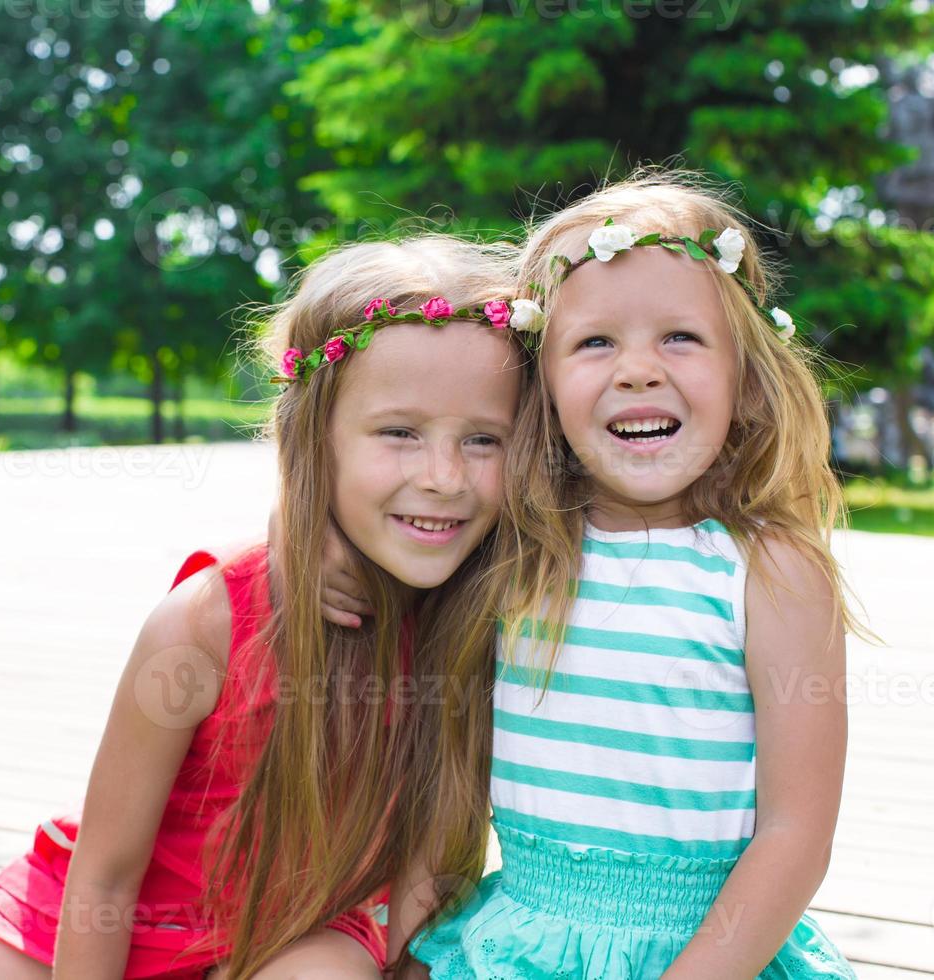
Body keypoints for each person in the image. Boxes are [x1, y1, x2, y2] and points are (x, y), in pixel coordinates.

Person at [0, 233, 535, 980]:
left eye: (483, 440)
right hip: (88, 923)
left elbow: (437, 862)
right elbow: (107, 875)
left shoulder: (499, 615)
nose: (444, 477)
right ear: (312, 437)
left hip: (305, 932)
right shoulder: (206, 622)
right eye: (399, 432)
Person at [330, 174, 868, 979]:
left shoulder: (768, 571)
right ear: (541, 388)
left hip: (706, 954)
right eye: (595, 342)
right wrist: (324, 546)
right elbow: (395, 516)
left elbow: (796, 834)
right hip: (520, 943)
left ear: (745, 375)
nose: (639, 370)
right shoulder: (521, 549)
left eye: (680, 338)